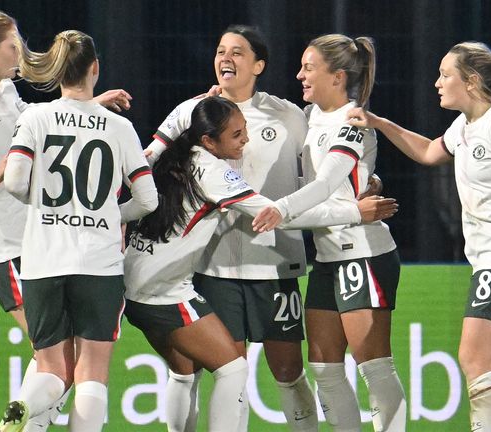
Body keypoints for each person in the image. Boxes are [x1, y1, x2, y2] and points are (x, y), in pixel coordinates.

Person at [127, 96, 397, 432]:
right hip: (166, 290)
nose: (246, 140)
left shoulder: (172, 153)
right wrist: (354, 211)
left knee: (183, 372)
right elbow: (274, 215)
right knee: (233, 370)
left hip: (132, 282)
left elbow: (130, 199)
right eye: (237, 135)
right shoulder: (213, 171)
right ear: (209, 140)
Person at [347, 41, 491, 432]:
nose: (437, 83)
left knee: (472, 358)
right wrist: (379, 122)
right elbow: (430, 151)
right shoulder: (465, 126)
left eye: (445, 75)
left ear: (473, 81)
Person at [0, 10, 132, 430]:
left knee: (58, 361)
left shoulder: (8, 91)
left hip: (37, 243)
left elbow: (40, 127)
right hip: (0, 247)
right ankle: (20, 421)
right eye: (13, 45)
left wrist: (89, 107)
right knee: (61, 363)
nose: (22, 51)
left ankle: (23, 421)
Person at [144, 24, 318, 431]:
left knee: (289, 371)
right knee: (228, 372)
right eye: (221, 50)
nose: (226, 58)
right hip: (214, 267)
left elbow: (318, 179)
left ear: (259, 64)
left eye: (238, 52)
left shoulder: (289, 116)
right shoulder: (191, 112)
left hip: (275, 266)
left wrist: (363, 186)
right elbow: (146, 160)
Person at [0, 29, 158, 432]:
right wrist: (108, 215)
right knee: (92, 372)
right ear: (95, 69)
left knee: (50, 369)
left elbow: (13, 180)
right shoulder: (117, 127)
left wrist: (48, 207)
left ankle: (21, 406)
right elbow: (148, 200)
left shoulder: (35, 116)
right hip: (97, 264)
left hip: (43, 260)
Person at [251, 34, 407, 431]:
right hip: (326, 255)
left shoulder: (353, 120)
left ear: (337, 77)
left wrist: (280, 210)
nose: (299, 74)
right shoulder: (309, 116)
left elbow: (323, 186)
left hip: (363, 253)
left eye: (309, 67)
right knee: (323, 368)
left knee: (374, 367)